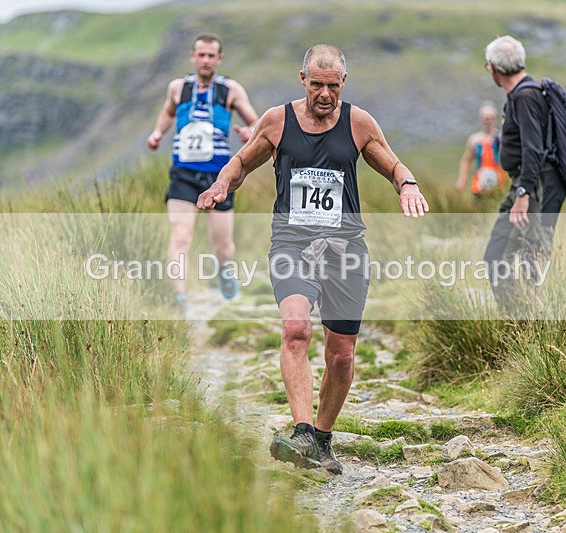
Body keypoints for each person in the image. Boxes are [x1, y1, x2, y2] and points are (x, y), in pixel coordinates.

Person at [197, 44, 428, 474]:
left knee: (341, 354)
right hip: (292, 244)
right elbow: (241, 162)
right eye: (317, 84)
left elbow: (394, 165)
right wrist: (222, 186)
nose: (325, 94)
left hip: (345, 249)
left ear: (343, 83)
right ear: (302, 79)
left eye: (333, 86)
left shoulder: (358, 123)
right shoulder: (277, 121)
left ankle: (322, 439)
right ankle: (302, 430)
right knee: (297, 329)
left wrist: (409, 185)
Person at [147, 32, 259, 316]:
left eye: (211, 55)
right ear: (192, 57)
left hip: (219, 178)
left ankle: (224, 270)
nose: (206, 60)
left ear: (219, 59)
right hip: (184, 173)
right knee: (180, 236)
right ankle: (179, 299)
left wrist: (250, 134)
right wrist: (158, 133)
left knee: (222, 246)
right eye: (201, 54)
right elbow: (167, 112)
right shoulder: (178, 88)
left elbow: (256, 122)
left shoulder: (230, 90)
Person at [482, 35, 566, 308]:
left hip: (535, 186)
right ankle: (523, 322)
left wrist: (523, 193)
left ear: (494, 68)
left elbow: (534, 149)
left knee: (521, 256)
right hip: (532, 183)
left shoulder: (526, 97)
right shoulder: (524, 94)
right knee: (512, 255)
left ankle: (525, 324)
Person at [455, 102, 508, 197]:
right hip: (480, 184)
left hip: (499, 183)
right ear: (481, 119)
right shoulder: (474, 139)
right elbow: (467, 160)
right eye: (485, 118)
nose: (488, 121)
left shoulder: (501, 138)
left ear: (496, 119)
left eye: (491, 118)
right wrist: (462, 179)